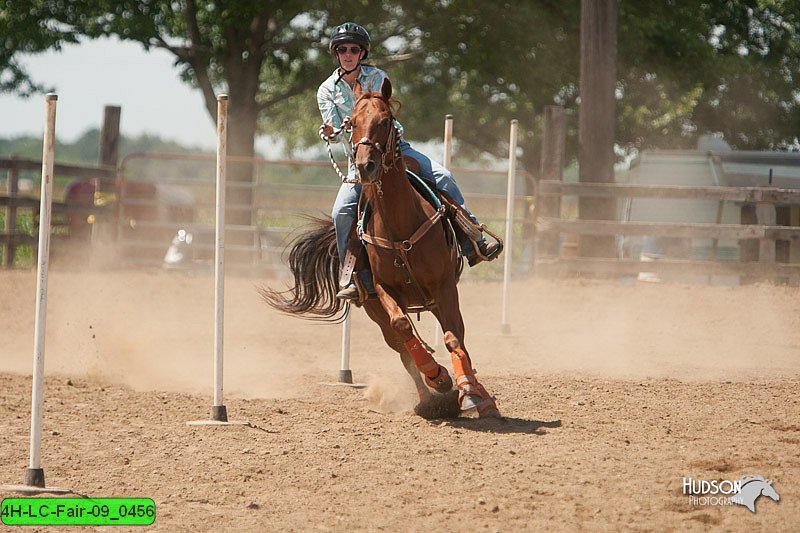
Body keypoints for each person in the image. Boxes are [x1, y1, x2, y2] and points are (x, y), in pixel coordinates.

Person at [318, 22, 501, 301]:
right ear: (335, 53)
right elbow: (333, 130)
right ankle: (353, 277)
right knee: (341, 211)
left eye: (354, 49)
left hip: (396, 151)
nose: (348, 53)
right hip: (361, 160)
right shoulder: (326, 91)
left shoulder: (378, 78)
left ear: (362, 53)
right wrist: (330, 132)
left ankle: (471, 239)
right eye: (342, 49)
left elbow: (380, 111)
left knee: (443, 177)